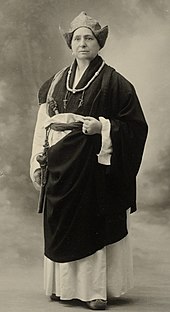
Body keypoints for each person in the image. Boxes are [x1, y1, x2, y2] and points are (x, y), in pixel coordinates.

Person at [30, 11, 148, 310]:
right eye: (78, 38)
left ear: (99, 43)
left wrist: (103, 127)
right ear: (70, 43)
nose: (83, 43)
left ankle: (95, 291)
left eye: (89, 38)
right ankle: (61, 287)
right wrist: (37, 161)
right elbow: (42, 122)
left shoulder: (116, 83)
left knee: (91, 223)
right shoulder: (55, 81)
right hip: (59, 163)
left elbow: (135, 127)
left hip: (94, 167)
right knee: (61, 223)